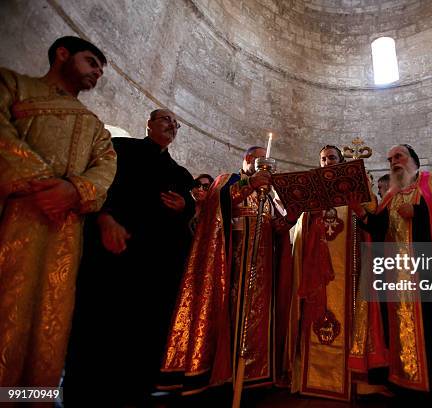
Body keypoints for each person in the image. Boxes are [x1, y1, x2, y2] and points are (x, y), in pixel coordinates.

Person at [0, 36, 116, 388]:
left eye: (100, 68)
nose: (97, 72)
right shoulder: (14, 84)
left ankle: (31, 398)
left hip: (65, 231)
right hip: (13, 216)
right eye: (91, 61)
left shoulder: (95, 126)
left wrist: (73, 191)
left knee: (51, 321)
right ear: (62, 54)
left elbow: (105, 166)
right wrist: (44, 184)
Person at [63, 109, 195, 406]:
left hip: (152, 271)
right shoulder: (121, 150)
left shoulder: (180, 174)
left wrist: (184, 207)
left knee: (142, 338)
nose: (171, 126)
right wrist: (105, 218)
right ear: (148, 124)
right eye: (165, 120)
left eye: (176, 124)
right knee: (97, 329)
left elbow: (190, 217)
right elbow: (100, 184)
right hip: (112, 256)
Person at [158, 146, 296, 397]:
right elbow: (215, 205)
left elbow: (277, 229)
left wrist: (289, 219)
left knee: (259, 321)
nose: (262, 169)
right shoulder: (228, 180)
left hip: (264, 273)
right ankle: (225, 375)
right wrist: (251, 184)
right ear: (246, 160)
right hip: (232, 266)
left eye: (266, 166)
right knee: (229, 318)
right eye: (257, 162)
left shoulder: (269, 195)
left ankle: (256, 377)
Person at [348, 145, 432, 401]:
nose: (393, 161)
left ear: (414, 161)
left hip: (427, 276)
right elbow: (378, 228)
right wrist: (360, 212)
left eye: (399, 156)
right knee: (398, 331)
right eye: (390, 158)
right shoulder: (391, 195)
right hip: (394, 279)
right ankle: (402, 383)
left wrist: (419, 212)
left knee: (430, 328)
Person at [289, 145, 377, 401]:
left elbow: (372, 220)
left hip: (348, 273)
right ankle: (308, 377)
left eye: (333, 158)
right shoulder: (311, 193)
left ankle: (351, 380)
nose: (328, 162)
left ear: (341, 162)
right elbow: (298, 231)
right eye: (323, 159)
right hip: (316, 274)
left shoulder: (357, 189)